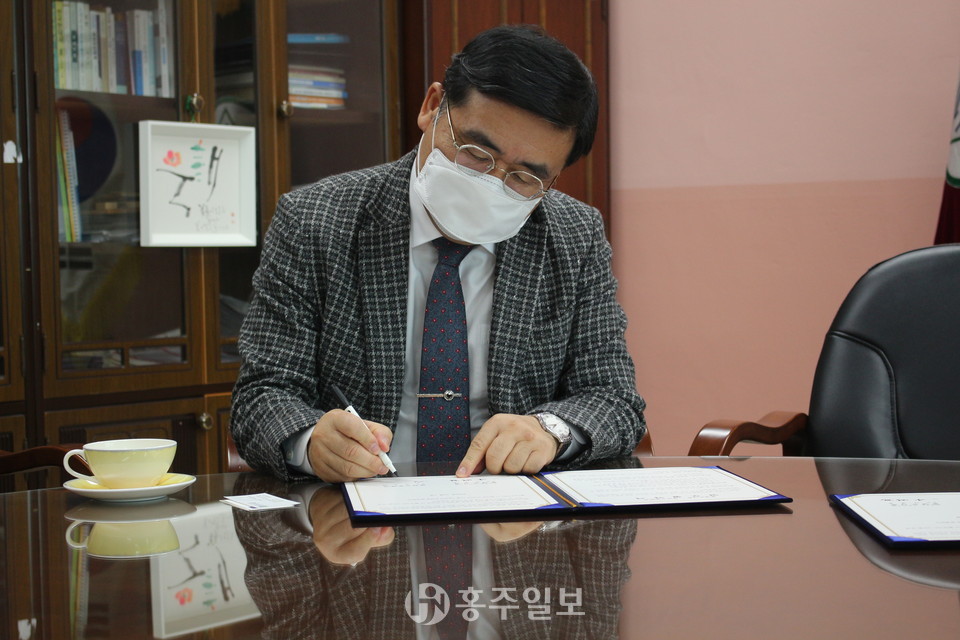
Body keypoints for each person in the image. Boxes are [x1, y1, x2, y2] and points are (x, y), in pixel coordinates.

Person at [231, 24, 646, 483]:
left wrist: (548, 430)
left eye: (525, 178)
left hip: (513, 514)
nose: (491, 184)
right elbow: (261, 396)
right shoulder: (316, 221)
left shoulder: (573, 235)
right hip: (360, 509)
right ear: (432, 107)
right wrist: (311, 441)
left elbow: (614, 399)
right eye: (476, 152)